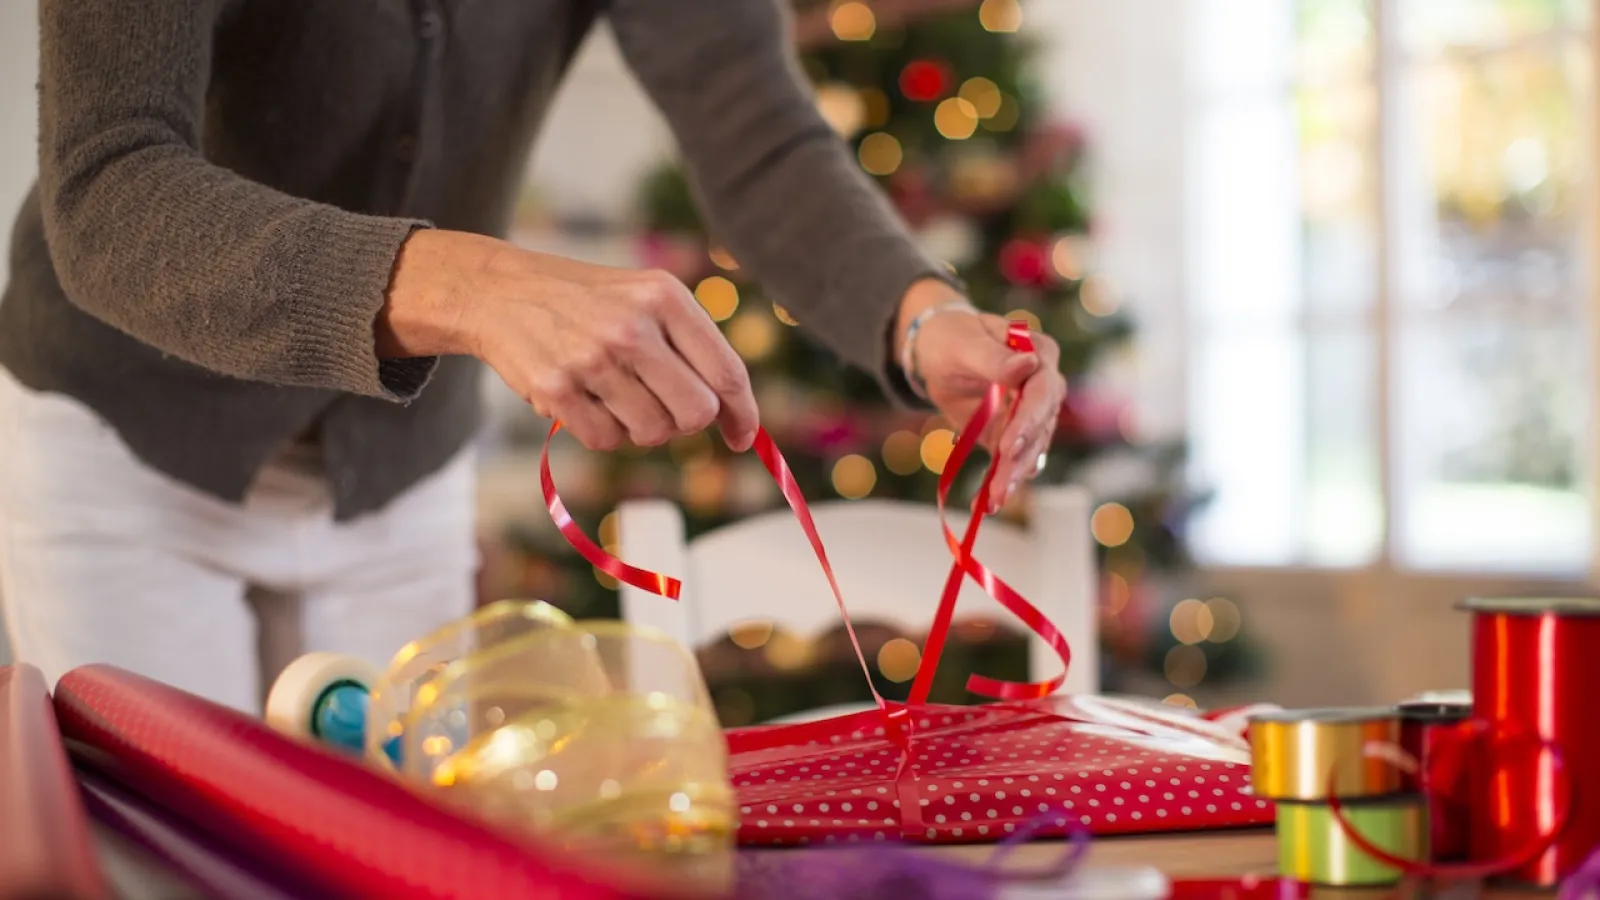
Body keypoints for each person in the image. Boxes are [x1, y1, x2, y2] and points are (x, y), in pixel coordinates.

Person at [0, 0, 1066, 712]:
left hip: (398, 469)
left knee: (387, 854)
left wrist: (920, 316)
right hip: (126, 444)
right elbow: (109, 183)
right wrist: (470, 285)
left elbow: (759, 135)